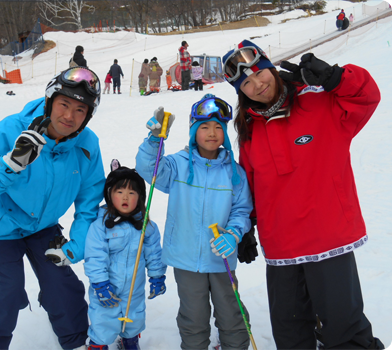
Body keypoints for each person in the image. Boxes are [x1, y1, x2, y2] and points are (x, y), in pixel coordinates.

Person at [222, 39, 384, 349]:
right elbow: (252, 183)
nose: (257, 85)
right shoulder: (250, 128)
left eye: (259, 73)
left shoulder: (318, 101)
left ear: (270, 66)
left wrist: (337, 78)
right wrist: (248, 227)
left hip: (328, 238)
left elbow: (366, 96)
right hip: (281, 247)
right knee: (290, 331)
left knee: (343, 329)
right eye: (246, 83)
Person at [0, 66, 106, 350]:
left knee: (62, 286)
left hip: (43, 225)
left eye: (81, 110)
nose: (69, 116)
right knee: (7, 293)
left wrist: (76, 246)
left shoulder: (87, 145)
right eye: (64, 104)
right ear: (50, 101)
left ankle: (78, 343)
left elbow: (89, 204)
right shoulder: (11, 130)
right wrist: (8, 165)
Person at [136, 95, 253, 350]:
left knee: (230, 310)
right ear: (192, 130)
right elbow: (150, 170)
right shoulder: (178, 165)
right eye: (204, 126)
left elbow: (242, 210)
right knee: (193, 315)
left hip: (221, 258)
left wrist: (233, 234)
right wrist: (155, 142)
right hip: (185, 258)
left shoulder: (234, 172)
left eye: (218, 127)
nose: (212, 133)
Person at [84, 160, 167, 350]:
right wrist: (99, 283)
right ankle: (98, 344)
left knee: (134, 317)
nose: (125, 198)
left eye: (132, 193)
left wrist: (156, 276)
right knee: (103, 320)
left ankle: (129, 340)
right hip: (107, 288)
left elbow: (154, 253)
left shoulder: (146, 225)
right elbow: (95, 257)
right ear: (109, 195)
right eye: (119, 192)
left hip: (134, 289)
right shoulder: (100, 226)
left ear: (140, 197)